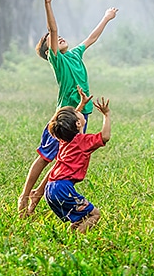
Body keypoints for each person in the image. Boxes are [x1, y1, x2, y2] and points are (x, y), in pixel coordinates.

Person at [18, 0, 118, 216]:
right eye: (51, 40)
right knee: (45, 156)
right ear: (48, 50)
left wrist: (106, 18)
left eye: (58, 37)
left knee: (65, 157)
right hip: (64, 116)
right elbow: (52, 29)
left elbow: (91, 38)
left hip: (81, 114)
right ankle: (25, 196)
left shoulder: (74, 54)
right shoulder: (58, 60)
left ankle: (39, 195)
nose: (58, 37)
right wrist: (47, 3)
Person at [44, 96, 111, 233]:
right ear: (78, 124)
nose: (78, 111)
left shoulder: (64, 139)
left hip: (50, 188)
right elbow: (105, 136)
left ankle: (70, 235)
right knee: (95, 214)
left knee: (79, 218)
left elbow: (68, 123)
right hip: (63, 188)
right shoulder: (83, 142)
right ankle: (77, 240)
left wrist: (81, 104)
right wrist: (106, 115)